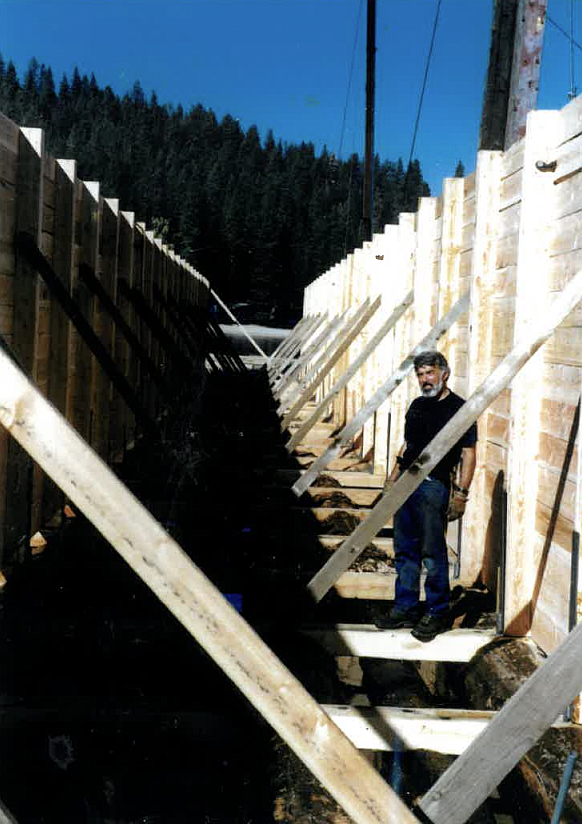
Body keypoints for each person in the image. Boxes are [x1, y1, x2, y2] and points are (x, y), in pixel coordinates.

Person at [376, 350, 477, 642]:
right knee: (405, 549)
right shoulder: (417, 405)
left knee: (432, 552)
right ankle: (405, 607)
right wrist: (391, 479)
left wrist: (461, 494)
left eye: (429, 373)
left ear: (444, 373)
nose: (424, 380)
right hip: (406, 484)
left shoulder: (460, 408)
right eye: (420, 375)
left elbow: (469, 454)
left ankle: (437, 611)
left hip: (434, 485)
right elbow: (408, 445)